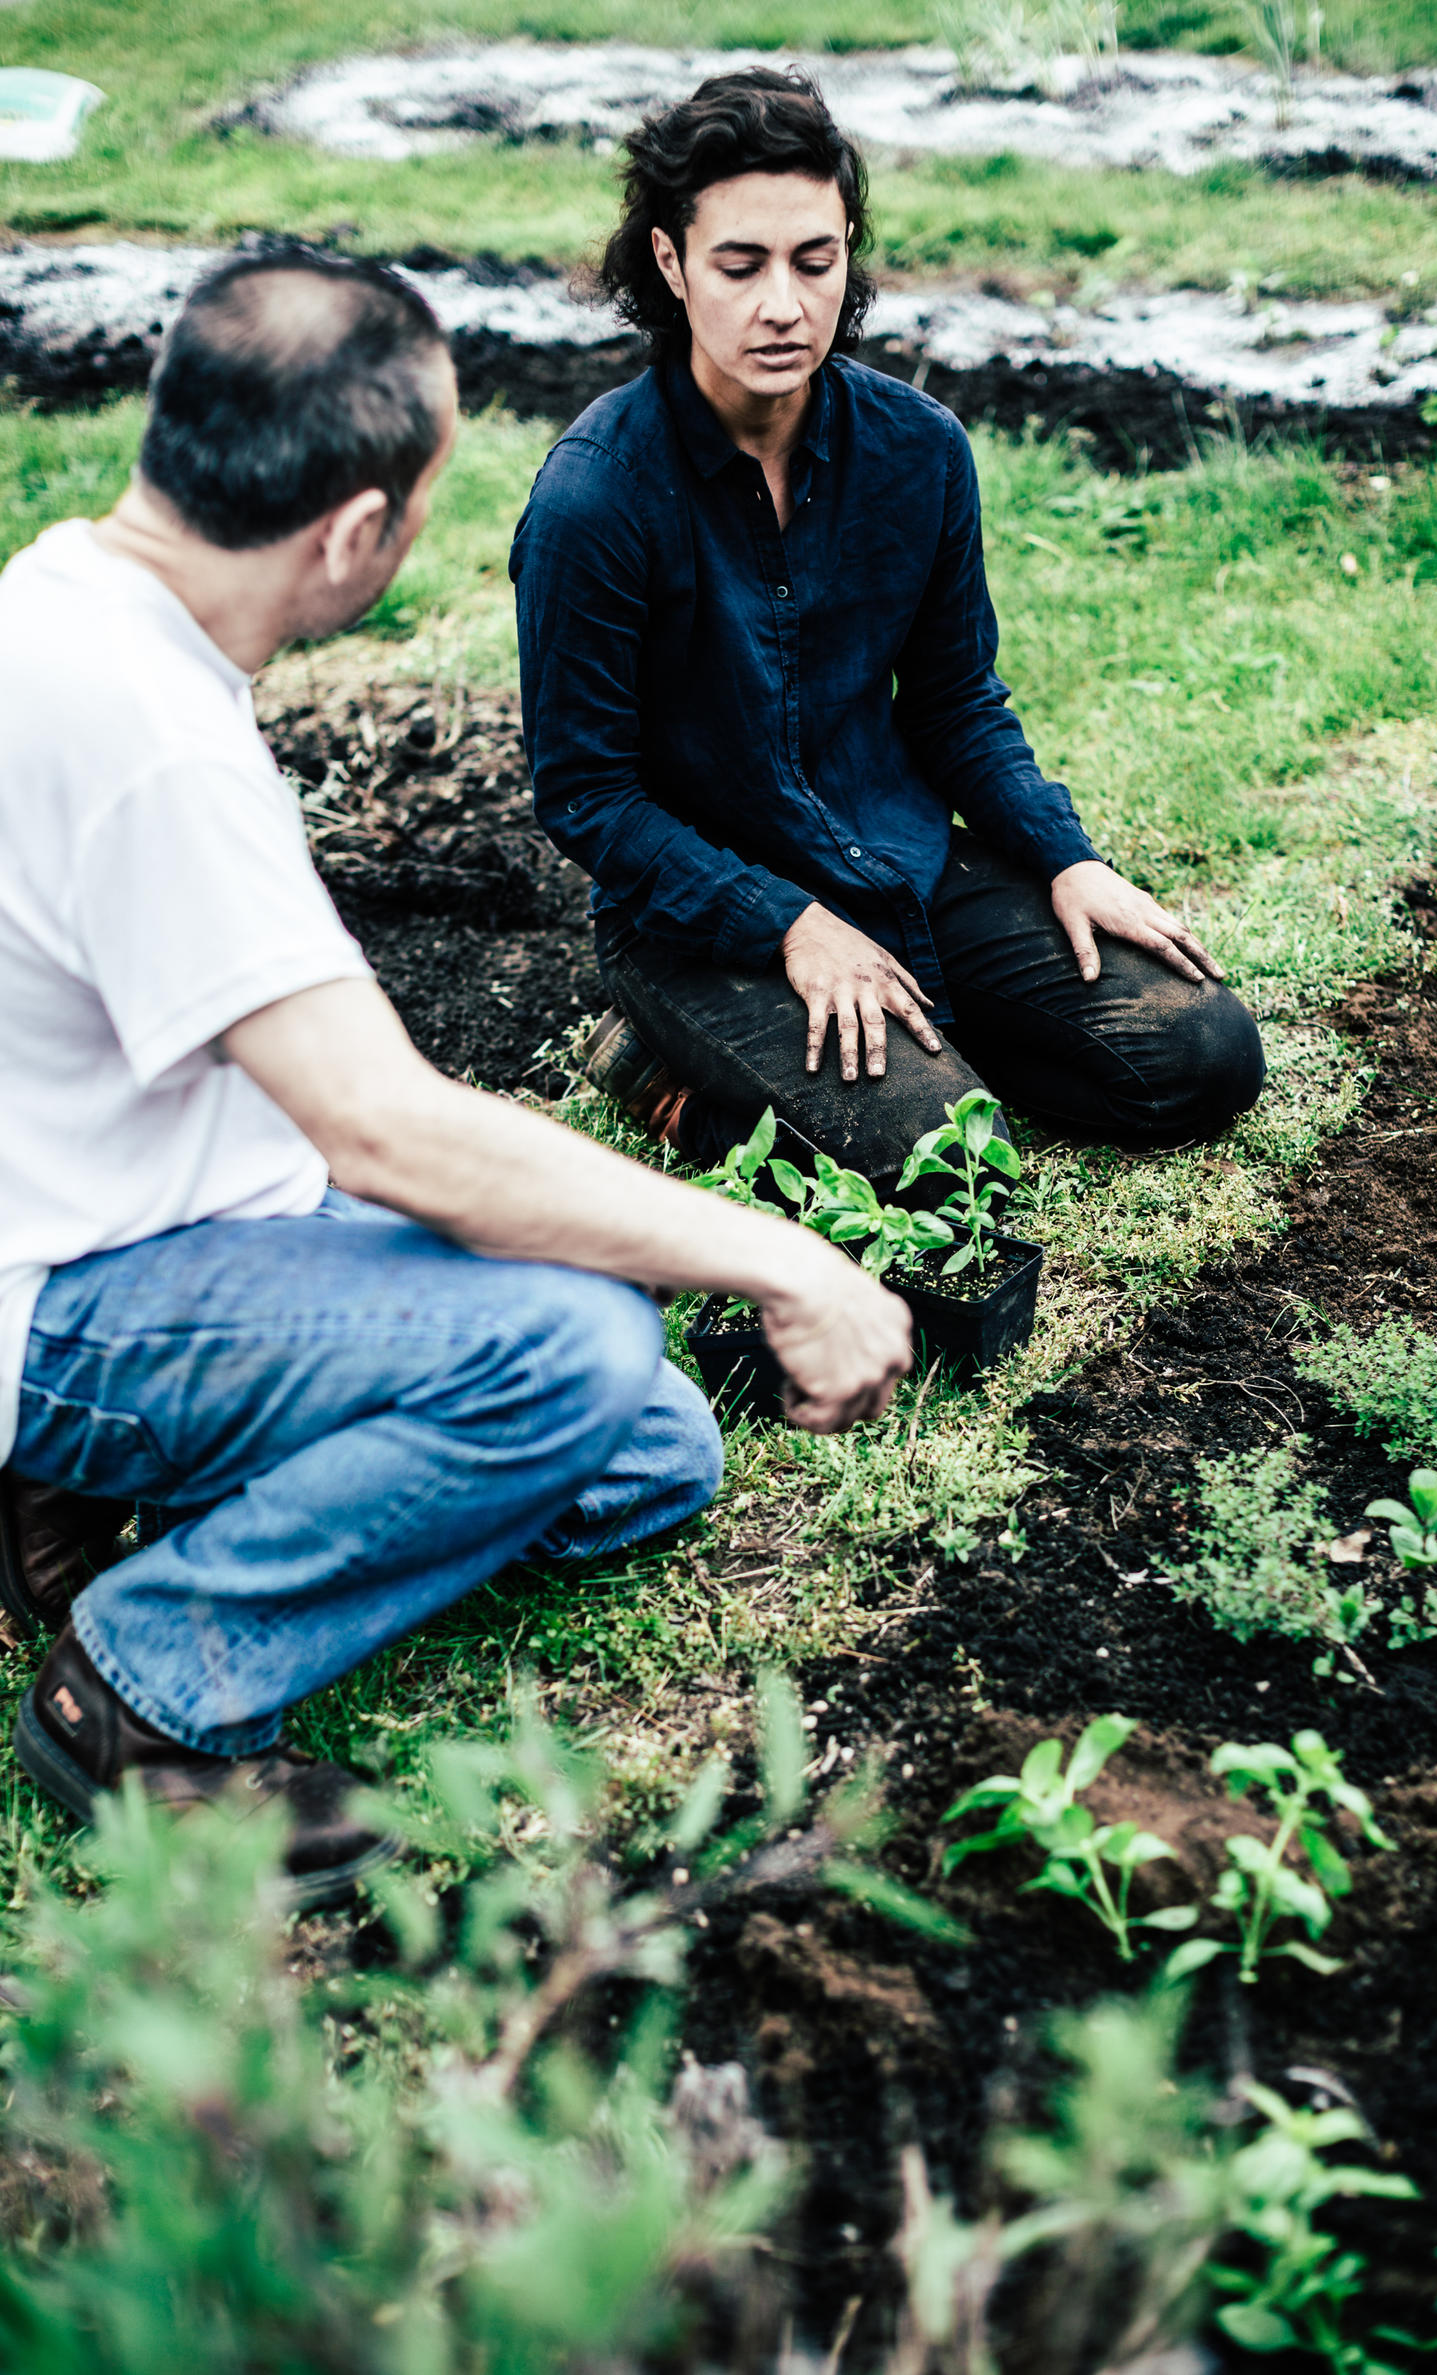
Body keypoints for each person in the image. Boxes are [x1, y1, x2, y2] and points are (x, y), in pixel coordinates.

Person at [0, 249, 912, 1909]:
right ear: (354, 531)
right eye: (418, 504)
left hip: (138, 1220)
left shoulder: (62, 609)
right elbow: (384, 1126)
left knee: (646, 1451)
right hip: (65, 1298)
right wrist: (784, 1254)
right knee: (565, 1350)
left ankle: (86, 1491)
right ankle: (142, 1690)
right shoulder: (146, 742)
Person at [511, 68, 1266, 1184]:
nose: (783, 304)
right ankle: (658, 1070)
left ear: (846, 255)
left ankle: (926, 1063)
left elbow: (959, 702)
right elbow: (586, 794)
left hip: (899, 861)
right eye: (739, 264)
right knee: (949, 1168)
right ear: (670, 265)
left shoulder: (917, 449)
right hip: (705, 927)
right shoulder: (596, 497)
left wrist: (1067, 857)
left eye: (814, 262)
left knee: (1202, 1054)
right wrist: (788, 924)